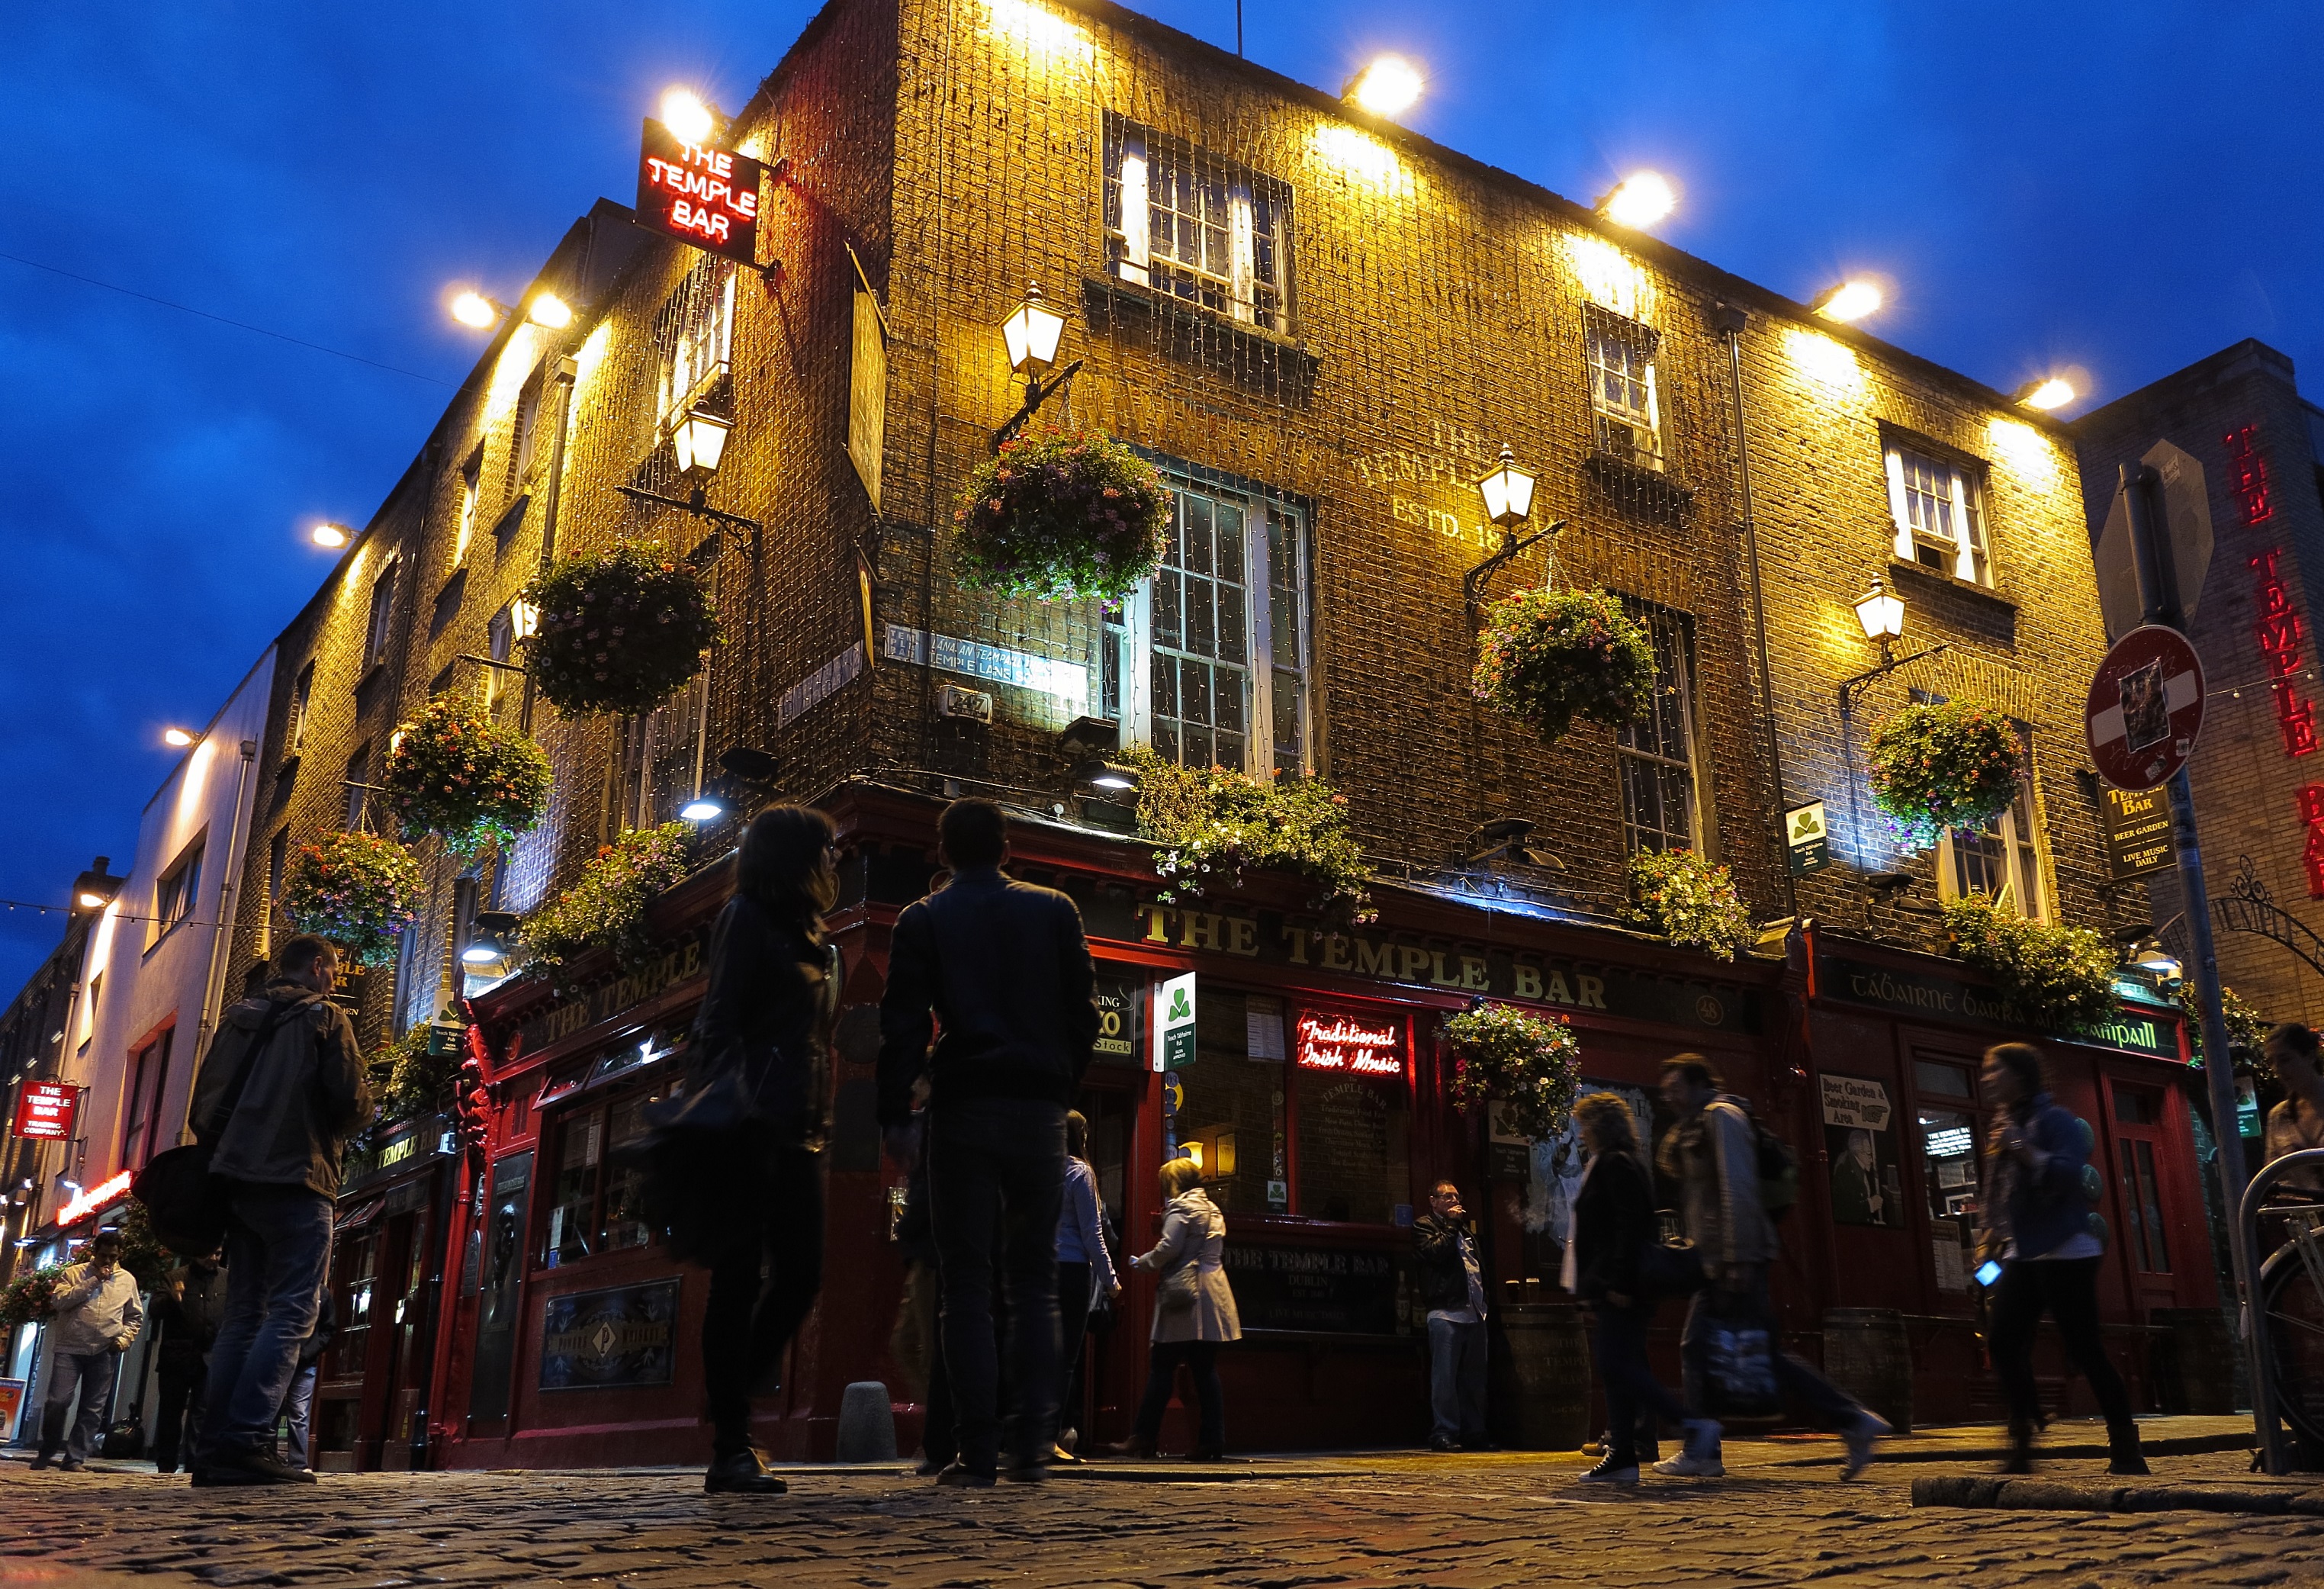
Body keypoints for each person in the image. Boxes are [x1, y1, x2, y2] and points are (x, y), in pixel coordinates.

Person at [877, 798, 1100, 1486]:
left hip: (963, 1107)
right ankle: (1030, 1441)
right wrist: (1060, 1080)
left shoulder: (922, 918)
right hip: (1037, 1109)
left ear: (942, 852)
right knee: (1033, 1283)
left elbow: (903, 1024)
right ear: (1007, 848)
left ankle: (974, 1452)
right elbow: (1083, 1013)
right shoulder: (1055, 910)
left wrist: (895, 1114)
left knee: (966, 1285)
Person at [685, 804, 844, 1495]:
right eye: (827, 850)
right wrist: (723, 1107)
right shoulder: (745, 916)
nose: (835, 861)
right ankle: (729, 1442)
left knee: (803, 1272)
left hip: (801, 1126)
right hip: (748, 1122)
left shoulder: (815, 934)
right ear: (796, 857)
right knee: (737, 1279)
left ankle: (732, 1390)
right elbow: (719, 1015)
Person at [1653, 1053, 1888, 1481]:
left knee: (1725, 1349)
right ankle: (1851, 1420)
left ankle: (1704, 1448)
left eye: (1676, 1087)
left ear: (1700, 1083)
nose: (1668, 1096)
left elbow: (1737, 1187)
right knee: (1746, 1351)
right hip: (1719, 1258)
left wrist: (1737, 1256)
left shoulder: (1722, 1116)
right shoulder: (1699, 1123)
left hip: (1734, 1258)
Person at [188, 934, 369, 1486]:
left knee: (244, 1314)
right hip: (298, 1176)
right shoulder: (324, 1017)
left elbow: (205, 1104)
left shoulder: (237, 1018)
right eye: (333, 972)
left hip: (238, 1184)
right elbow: (351, 1103)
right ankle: (244, 1441)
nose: (334, 982)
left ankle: (213, 1447)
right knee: (294, 1311)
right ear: (318, 968)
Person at [1977, 1041, 2147, 1476]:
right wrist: (1990, 1233)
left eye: (1994, 1070)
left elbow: (2071, 1173)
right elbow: (2001, 1189)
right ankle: (2023, 1438)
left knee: (2084, 1348)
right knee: (2003, 1340)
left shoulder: (2055, 1119)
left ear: (2019, 1075)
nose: (1986, 1079)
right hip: (2023, 1249)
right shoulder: (2004, 1123)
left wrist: (2025, 1149)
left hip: (2067, 1247)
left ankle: (2126, 1447)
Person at [1567, 1092, 1702, 1484]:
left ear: (1601, 1127)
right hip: (1612, 1284)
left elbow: (1628, 1227)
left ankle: (1690, 1423)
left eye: (1586, 1124)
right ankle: (1623, 1454)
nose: (1582, 1132)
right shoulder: (1614, 1162)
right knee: (1617, 1368)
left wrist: (1617, 1282)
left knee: (1617, 1365)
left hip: (1621, 1286)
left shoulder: (1617, 1163)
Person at [1115, 1157, 1239, 1459]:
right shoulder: (1213, 1210)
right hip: (1213, 1292)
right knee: (1205, 1370)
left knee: (1161, 1367)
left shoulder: (1182, 1208)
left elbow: (1168, 1247)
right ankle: (1212, 1440)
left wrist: (1141, 1262)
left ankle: (1143, 1437)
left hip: (1184, 1295)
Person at [31, 1230, 144, 1471]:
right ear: (95, 1253)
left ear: (119, 1255)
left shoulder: (127, 1280)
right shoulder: (74, 1274)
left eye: (113, 1257)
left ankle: (74, 1458)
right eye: (104, 1255)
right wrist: (93, 1281)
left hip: (105, 1350)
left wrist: (124, 1339)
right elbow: (59, 1301)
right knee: (58, 1401)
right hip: (70, 1348)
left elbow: (135, 1316)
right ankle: (48, 1448)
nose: (108, 1261)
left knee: (92, 1408)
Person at [1053, 1109, 1120, 1462]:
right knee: (1065, 1358)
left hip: (1041, 1270)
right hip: (1072, 1271)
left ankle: (1038, 1433)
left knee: (1040, 1352)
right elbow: (1092, 1233)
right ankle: (1054, 1437)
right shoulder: (1080, 1172)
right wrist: (1111, 1280)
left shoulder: (1040, 1168)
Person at [1413, 1179, 1490, 1452]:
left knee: (1474, 1380)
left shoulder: (1465, 1232)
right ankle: (1444, 1432)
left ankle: (1475, 1431)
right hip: (1445, 1313)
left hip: (1474, 1313)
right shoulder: (1424, 1225)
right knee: (1444, 1378)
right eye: (1448, 1197)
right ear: (1433, 1201)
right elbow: (1435, 1254)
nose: (1455, 1201)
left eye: (1457, 1196)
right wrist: (1452, 1225)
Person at [148, 1248, 227, 1475]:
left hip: (210, 1357)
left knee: (201, 1413)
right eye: (208, 1253)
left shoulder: (226, 1279)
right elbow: (154, 1310)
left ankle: (195, 1463)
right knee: (171, 1412)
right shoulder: (175, 1277)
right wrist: (172, 1299)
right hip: (177, 1356)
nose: (213, 1258)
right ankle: (166, 1463)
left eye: (218, 1254)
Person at [279, 1287, 336, 1469]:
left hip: (305, 1362)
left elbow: (329, 1328)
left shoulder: (323, 1294)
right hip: (279, 1360)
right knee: (272, 1410)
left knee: (299, 1414)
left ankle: (298, 1463)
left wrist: (310, 1351)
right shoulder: (285, 1286)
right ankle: (268, 1457)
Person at [2263, 1023, 2324, 1193]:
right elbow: (2273, 1175)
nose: (2278, 1069)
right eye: (2272, 1062)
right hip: (2307, 1216)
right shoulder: (2279, 1116)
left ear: (2310, 1056)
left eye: (2285, 1060)